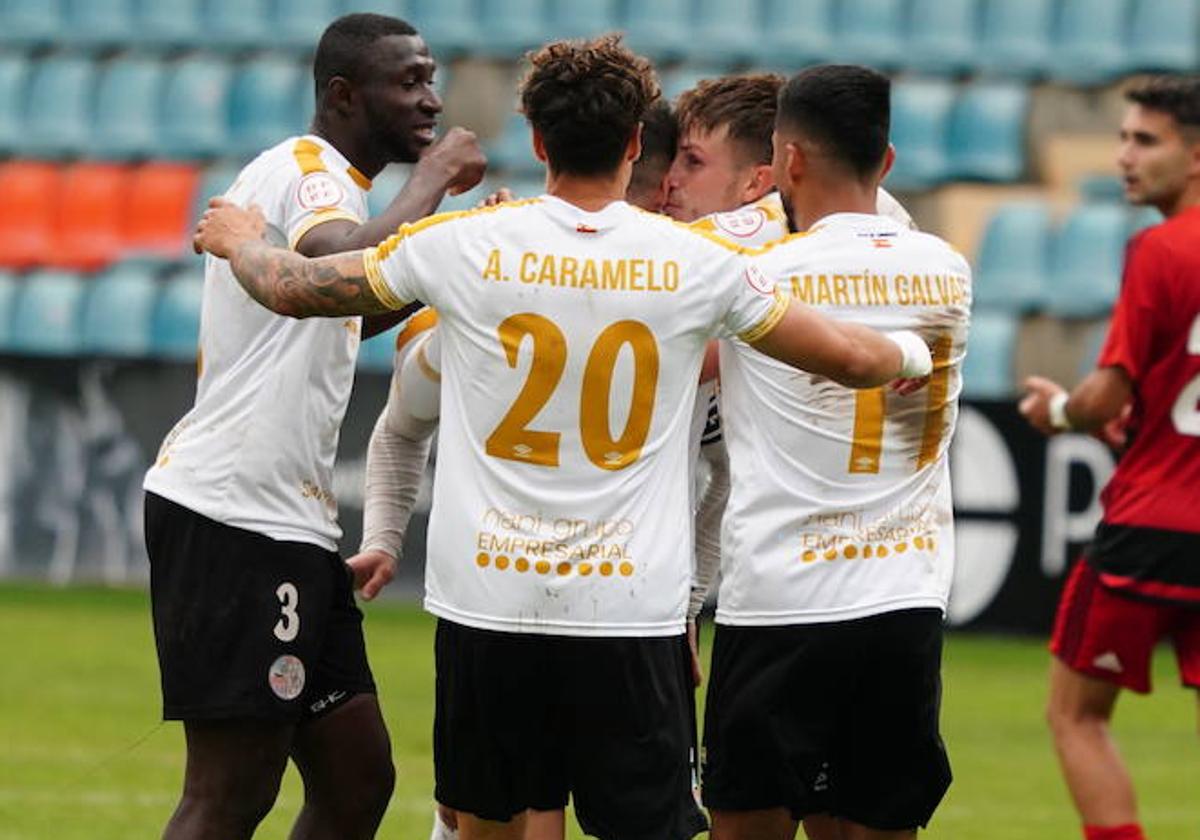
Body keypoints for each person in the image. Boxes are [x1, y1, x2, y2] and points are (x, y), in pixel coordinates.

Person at [192, 35, 933, 840]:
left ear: (538, 141)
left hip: (488, 605)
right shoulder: (697, 264)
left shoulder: (461, 244)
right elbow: (850, 355)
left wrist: (240, 241)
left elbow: (300, 289)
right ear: (633, 146)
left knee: (494, 828)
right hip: (628, 611)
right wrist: (913, 353)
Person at [142, 13, 485, 840]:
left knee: (357, 777)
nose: (431, 100)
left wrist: (455, 254)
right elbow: (339, 264)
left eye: (431, 78)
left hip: (285, 523)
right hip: (234, 514)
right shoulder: (311, 173)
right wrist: (434, 180)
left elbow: (340, 309)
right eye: (409, 81)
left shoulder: (334, 184)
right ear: (342, 94)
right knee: (230, 791)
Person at [351, 96, 682, 840]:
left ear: (536, 143)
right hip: (616, 608)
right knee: (533, 808)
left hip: (519, 602)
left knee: (503, 805)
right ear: (646, 166)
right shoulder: (698, 285)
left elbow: (396, 414)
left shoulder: (492, 267)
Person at [702, 65, 970, 840]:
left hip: (786, 595)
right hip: (905, 595)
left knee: (747, 821)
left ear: (786, 162)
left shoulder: (758, 274)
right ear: (886, 162)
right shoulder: (948, 267)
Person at [1019, 74, 1200, 840]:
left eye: (1145, 140)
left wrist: (1058, 412)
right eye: (1124, 136)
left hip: (1151, 525)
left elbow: (1103, 394)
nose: (1124, 155)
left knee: (1075, 714)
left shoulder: (1162, 249)